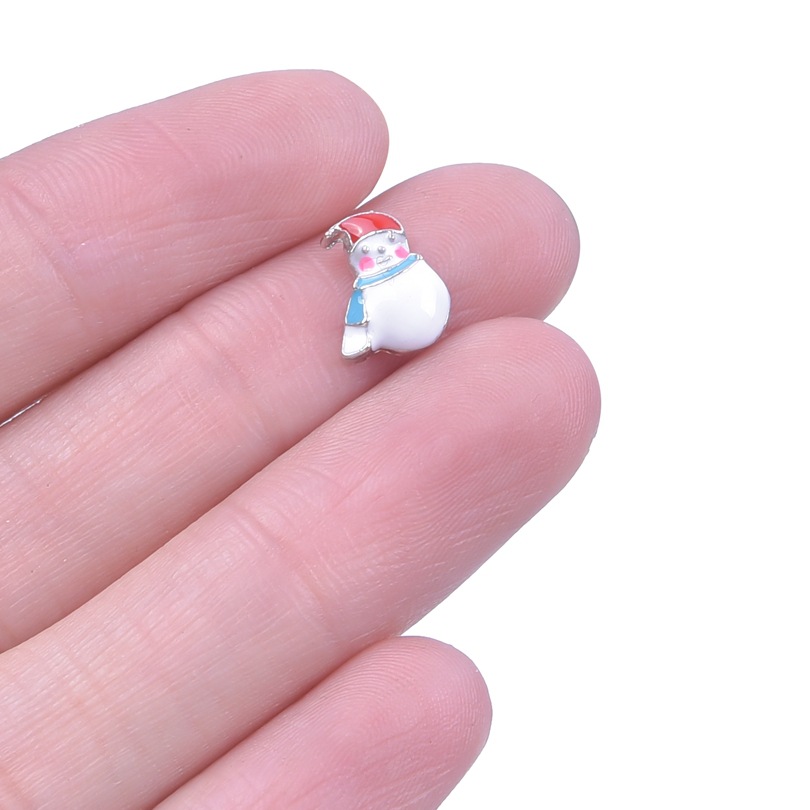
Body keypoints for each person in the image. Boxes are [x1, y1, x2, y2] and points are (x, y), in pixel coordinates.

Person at [0, 70, 600, 808]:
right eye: (367, 254)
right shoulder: (380, 282)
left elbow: (386, 312)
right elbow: (365, 319)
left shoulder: (395, 279)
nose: (371, 259)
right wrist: (360, 333)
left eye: (372, 252)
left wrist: (364, 331)